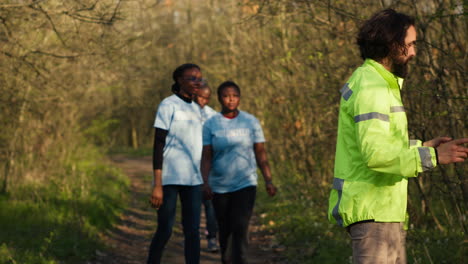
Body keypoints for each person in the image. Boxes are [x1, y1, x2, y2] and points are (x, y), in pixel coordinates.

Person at [327, 9, 468, 264]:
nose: (414, 52)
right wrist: (432, 156)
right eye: (410, 44)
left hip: (383, 213)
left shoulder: (378, 83)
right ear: (392, 43)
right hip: (373, 214)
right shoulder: (372, 86)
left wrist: (422, 147)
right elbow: (376, 155)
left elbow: (382, 145)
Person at [201, 81, 277, 264]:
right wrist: (204, 183)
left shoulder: (250, 121)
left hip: (245, 182)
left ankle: (240, 260)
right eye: (226, 96)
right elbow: (206, 157)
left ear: (240, 98)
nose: (231, 99)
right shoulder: (211, 124)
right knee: (225, 229)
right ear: (219, 98)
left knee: (240, 226)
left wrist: (268, 180)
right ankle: (226, 259)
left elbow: (260, 152)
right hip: (219, 185)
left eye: (235, 96)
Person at [147, 63, 205, 264]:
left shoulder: (199, 109)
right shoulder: (168, 104)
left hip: (194, 180)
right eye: (192, 78)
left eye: (199, 79)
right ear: (179, 80)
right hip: (170, 178)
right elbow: (158, 144)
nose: (197, 82)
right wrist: (157, 184)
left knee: (193, 232)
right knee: (165, 229)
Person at [194, 84, 220, 252]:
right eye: (200, 97)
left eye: (206, 98)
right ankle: (191, 236)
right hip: (190, 166)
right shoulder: (186, 112)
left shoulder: (213, 116)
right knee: (192, 204)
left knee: (210, 204)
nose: (203, 101)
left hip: (208, 166)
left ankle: (212, 238)